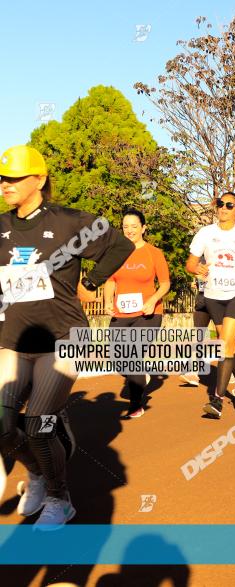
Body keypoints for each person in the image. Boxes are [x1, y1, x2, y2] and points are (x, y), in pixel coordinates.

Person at [0, 145, 134, 528]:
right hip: (12, 339)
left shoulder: (69, 222)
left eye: (14, 178)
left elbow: (119, 244)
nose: (5, 184)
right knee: (3, 425)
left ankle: (61, 497)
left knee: (39, 422)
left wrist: (91, 281)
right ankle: (38, 474)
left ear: (39, 180)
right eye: (2, 178)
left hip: (65, 338)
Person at [186, 191, 235, 419]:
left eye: (230, 205)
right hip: (213, 295)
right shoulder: (205, 233)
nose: (224, 208)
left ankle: (217, 400)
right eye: (220, 204)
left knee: (224, 344)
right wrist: (196, 268)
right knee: (232, 344)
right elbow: (190, 263)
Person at [103, 208, 171, 419]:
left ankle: (135, 405)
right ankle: (140, 375)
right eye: (125, 227)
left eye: (134, 226)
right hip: (122, 313)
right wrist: (107, 301)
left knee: (132, 353)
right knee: (117, 357)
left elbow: (166, 283)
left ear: (143, 228)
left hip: (148, 314)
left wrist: (152, 300)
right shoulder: (115, 252)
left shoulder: (154, 253)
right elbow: (110, 280)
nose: (129, 230)